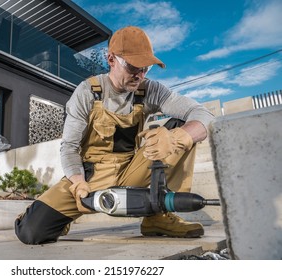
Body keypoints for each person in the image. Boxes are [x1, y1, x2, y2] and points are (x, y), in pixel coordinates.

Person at [15, 26, 215, 245]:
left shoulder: (150, 90)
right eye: (132, 66)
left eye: (145, 68)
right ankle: (61, 217)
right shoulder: (87, 92)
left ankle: (158, 217)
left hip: (133, 170)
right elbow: (69, 147)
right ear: (111, 59)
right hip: (91, 176)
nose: (139, 75)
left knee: (182, 126)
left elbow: (204, 115)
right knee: (31, 232)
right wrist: (78, 182)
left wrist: (178, 137)